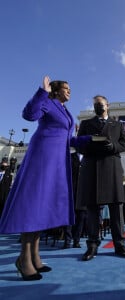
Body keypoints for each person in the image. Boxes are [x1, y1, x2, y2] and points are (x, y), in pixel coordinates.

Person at [0, 76, 89, 281]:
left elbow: (68, 139)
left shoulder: (66, 112)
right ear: (55, 91)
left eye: (69, 88)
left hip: (57, 161)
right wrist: (42, 91)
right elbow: (29, 115)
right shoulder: (47, 102)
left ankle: (35, 256)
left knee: (42, 206)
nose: (69, 91)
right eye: (65, 88)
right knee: (33, 205)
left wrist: (90, 140)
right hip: (42, 157)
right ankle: (23, 259)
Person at [76, 94, 125, 260]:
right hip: (92, 167)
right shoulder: (86, 124)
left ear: (107, 105)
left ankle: (119, 244)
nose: (97, 107)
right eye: (95, 104)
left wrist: (112, 146)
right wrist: (91, 147)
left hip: (112, 167)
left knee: (116, 208)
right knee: (92, 208)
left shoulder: (117, 124)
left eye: (100, 104)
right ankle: (92, 245)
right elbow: (79, 145)